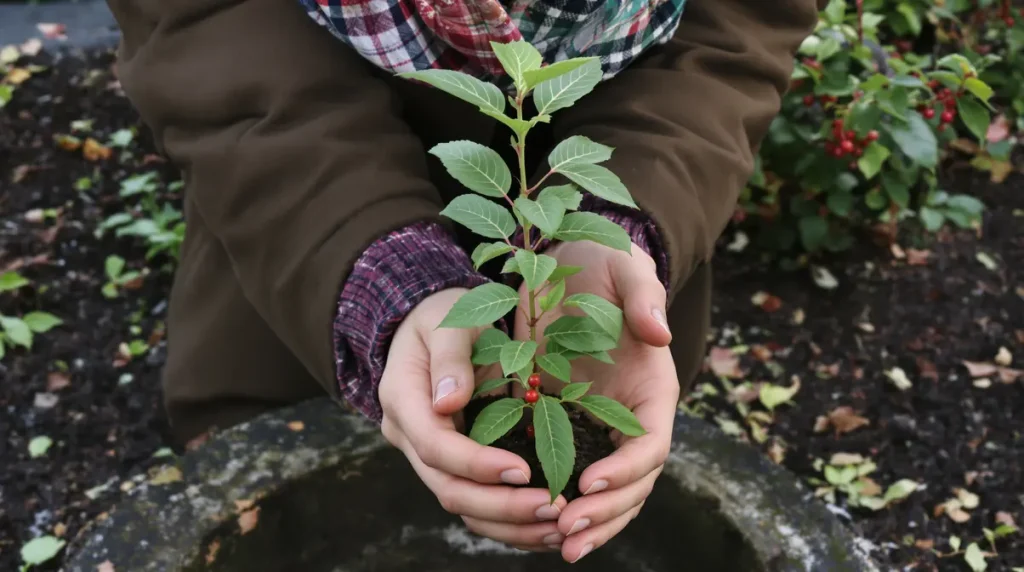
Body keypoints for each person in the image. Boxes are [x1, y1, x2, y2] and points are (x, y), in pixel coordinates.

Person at [104, 0, 820, 563]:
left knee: (578, 507)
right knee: (304, 528)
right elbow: (203, 24)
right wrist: (386, 272)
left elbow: (736, 27)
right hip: (290, 234)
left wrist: (617, 221)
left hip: (603, 244)